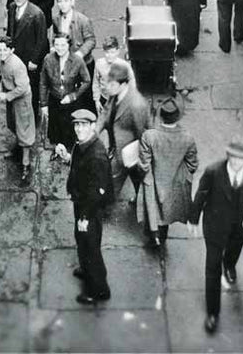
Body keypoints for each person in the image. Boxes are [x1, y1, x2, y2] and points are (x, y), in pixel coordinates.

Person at [189, 137, 243, 334]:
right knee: (212, 269)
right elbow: (201, 195)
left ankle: (230, 265)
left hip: (239, 228)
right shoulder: (213, 172)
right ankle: (213, 313)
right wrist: (193, 218)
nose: (236, 161)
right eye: (233, 156)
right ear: (228, 154)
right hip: (215, 227)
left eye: (240, 158)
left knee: (233, 252)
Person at [55, 109, 112, 305]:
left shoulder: (96, 155)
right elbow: (80, 167)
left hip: (89, 208)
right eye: (76, 125)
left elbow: (97, 192)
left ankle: (98, 289)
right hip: (81, 203)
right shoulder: (84, 145)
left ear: (92, 127)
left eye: (83, 125)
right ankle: (86, 270)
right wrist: (66, 158)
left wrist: (84, 218)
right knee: (83, 241)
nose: (79, 129)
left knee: (90, 247)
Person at [137, 98, 198, 249]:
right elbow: (192, 164)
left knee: (153, 209)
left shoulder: (149, 136)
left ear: (160, 116)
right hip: (174, 184)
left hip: (153, 180)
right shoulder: (187, 138)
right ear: (177, 117)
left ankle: (154, 236)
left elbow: (144, 164)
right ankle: (162, 238)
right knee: (168, 211)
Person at [95, 63, 151, 200]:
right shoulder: (115, 94)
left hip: (126, 151)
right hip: (115, 144)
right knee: (135, 177)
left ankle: (107, 204)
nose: (108, 87)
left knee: (115, 179)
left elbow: (142, 133)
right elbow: (106, 112)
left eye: (112, 85)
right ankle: (140, 199)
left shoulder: (137, 104)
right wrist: (95, 132)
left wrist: (142, 157)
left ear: (124, 84)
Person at [40, 33, 91, 154]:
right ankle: (58, 150)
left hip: (71, 103)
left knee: (71, 128)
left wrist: (73, 96)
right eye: (56, 44)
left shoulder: (77, 61)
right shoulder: (48, 59)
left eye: (63, 45)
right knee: (56, 129)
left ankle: (72, 152)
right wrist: (43, 105)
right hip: (55, 100)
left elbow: (86, 81)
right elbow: (43, 83)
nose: (59, 48)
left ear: (69, 45)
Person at [0, 36, 35, 183]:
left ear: (12, 50)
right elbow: (4, 78)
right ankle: (18, 147)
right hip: (12, 98)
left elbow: (23, 88)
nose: (2, 52)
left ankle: (26, 164)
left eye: (5, 49)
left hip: (21, 100)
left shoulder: (16, 65)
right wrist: (0, 88)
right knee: (12, 124)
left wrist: (7, 95)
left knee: (24, 130)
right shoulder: (4, 61)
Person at [7, 0, 49, 121]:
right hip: (16, 56)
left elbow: (42, 39)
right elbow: (10, 31)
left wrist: (35, 60)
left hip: (30, 59)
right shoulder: (12, 8)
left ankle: (31, 116)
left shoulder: (37, 14)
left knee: (31, 87)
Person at [52, 0, 96, 78]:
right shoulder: (56, 19)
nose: (63, 4)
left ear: (72, 2)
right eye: (60, 1)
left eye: (66, 1)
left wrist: (80, 53)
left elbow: (91, 40)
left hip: (83, 62)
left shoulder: (83, 20)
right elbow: (54, 36)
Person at [92, 35, 136, 114]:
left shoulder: (125, 66)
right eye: (107, 52)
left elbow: (132, 84)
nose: (109, 55)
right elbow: (96, 82)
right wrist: (97, 100)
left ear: (118, 51)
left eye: (112, 52)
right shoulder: (99, 64)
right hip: (104, 99)